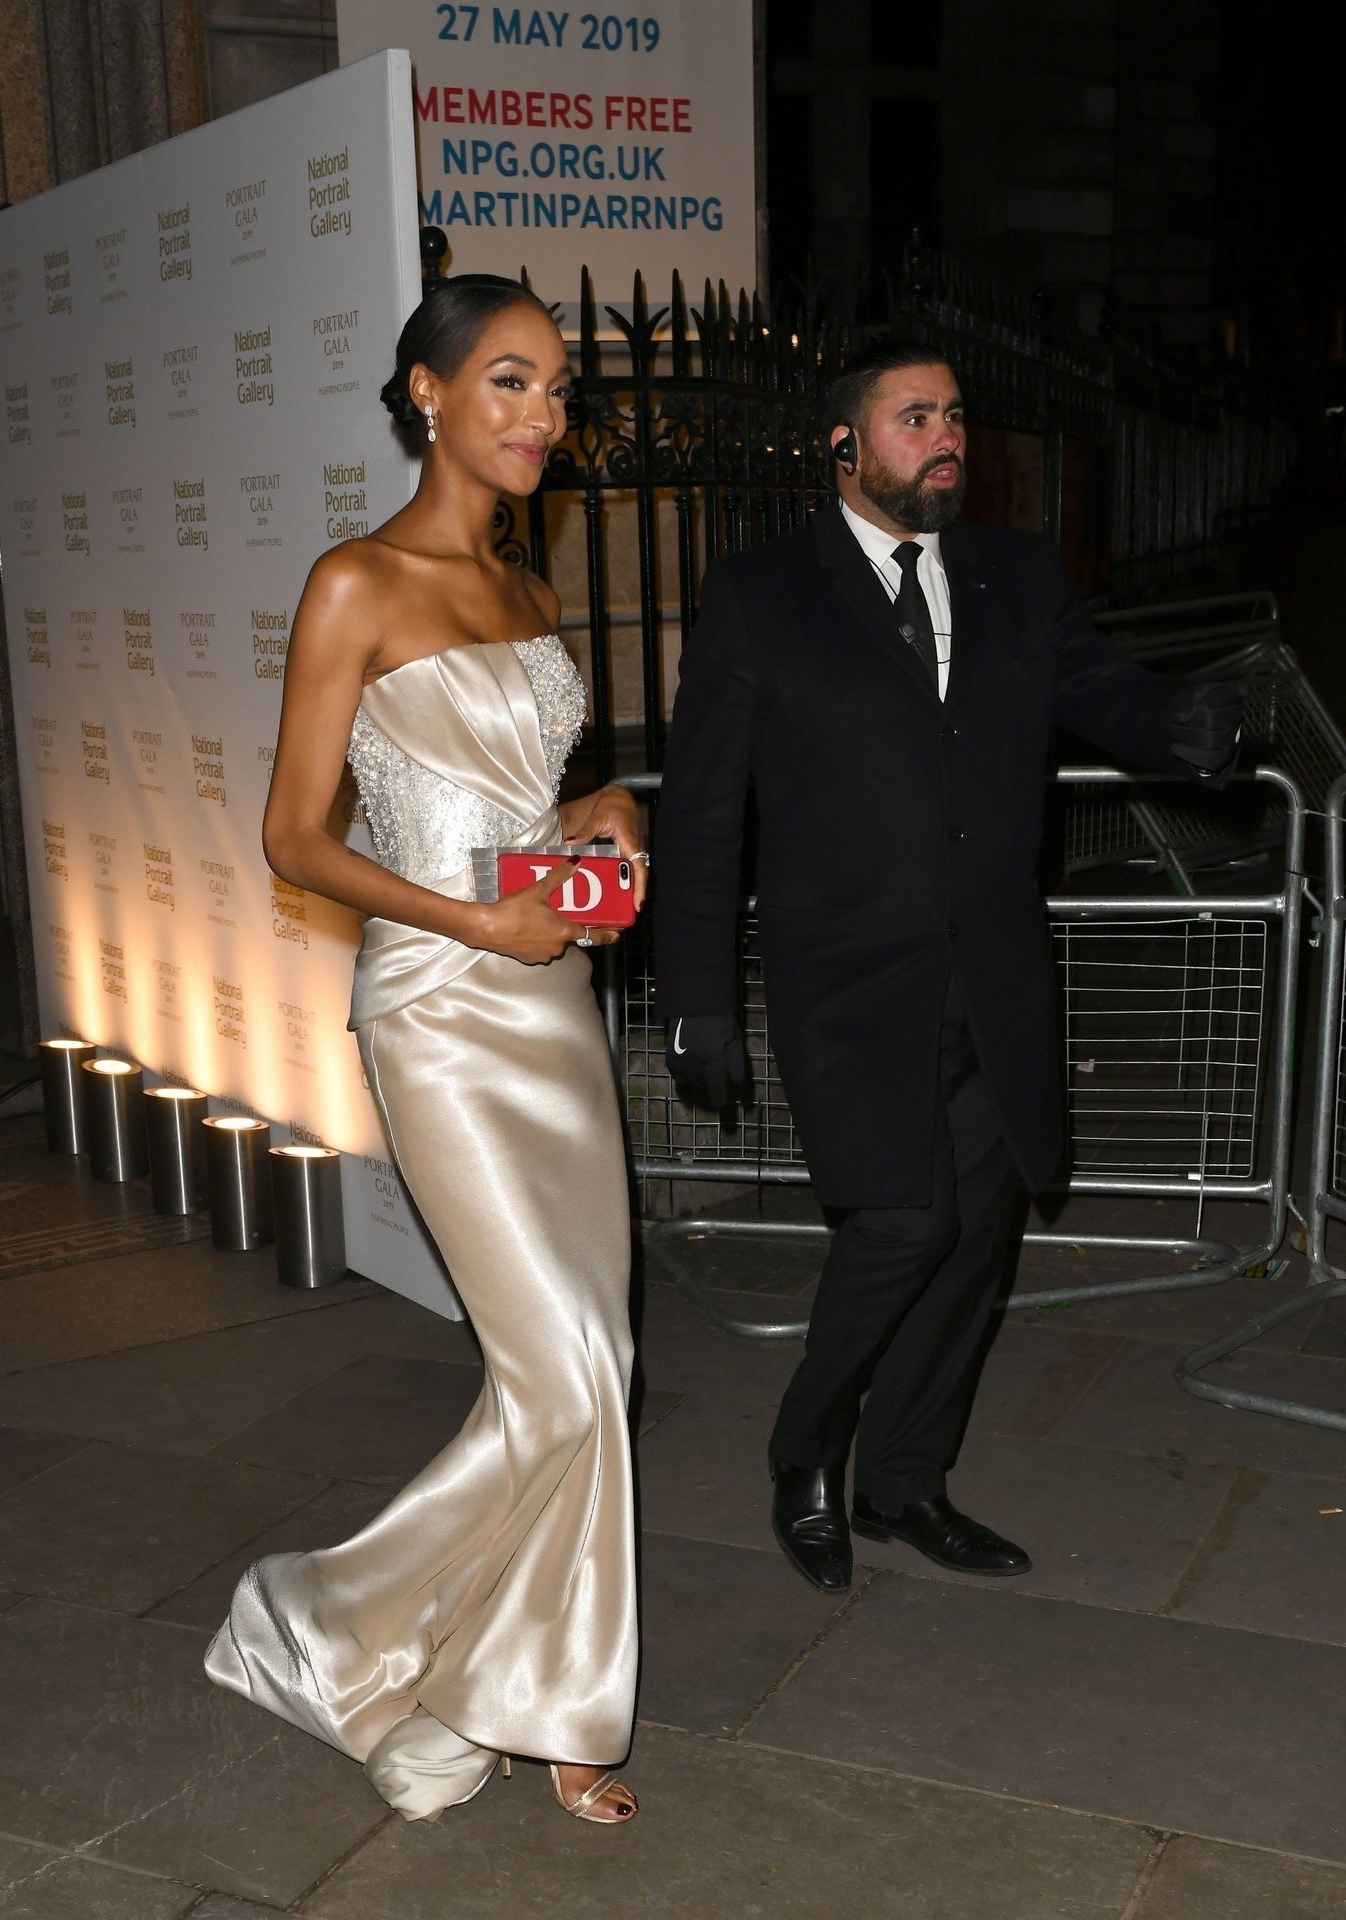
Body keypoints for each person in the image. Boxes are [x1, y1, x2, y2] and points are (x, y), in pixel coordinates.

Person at [653, 338, 1243, 1595]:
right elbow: (700, 815)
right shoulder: (763, 595)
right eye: (914, 417)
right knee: (902, 1223)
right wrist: (696, 1000)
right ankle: (804, 1451)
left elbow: (1102, 689)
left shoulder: (1013, 574)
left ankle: (904, 1481)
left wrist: (1178, 726)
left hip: (994, 975)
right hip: (849, 984)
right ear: (843, 446)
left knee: (977, 1235)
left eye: (956, 416)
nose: (947, 439)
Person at [205, 275, 647, 1827]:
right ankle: (354, 1641)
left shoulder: (527, 587)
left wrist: (600, 813)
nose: (544, 414)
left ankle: (511, 1683)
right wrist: (475, 922)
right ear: (427, 393)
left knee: (587, 1371)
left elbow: (513, 807)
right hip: (441, 1015)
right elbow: (295, 837)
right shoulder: (356, 583)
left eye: (559, 387)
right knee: (569, 1374)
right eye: (511, 380)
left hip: (553, 1007)